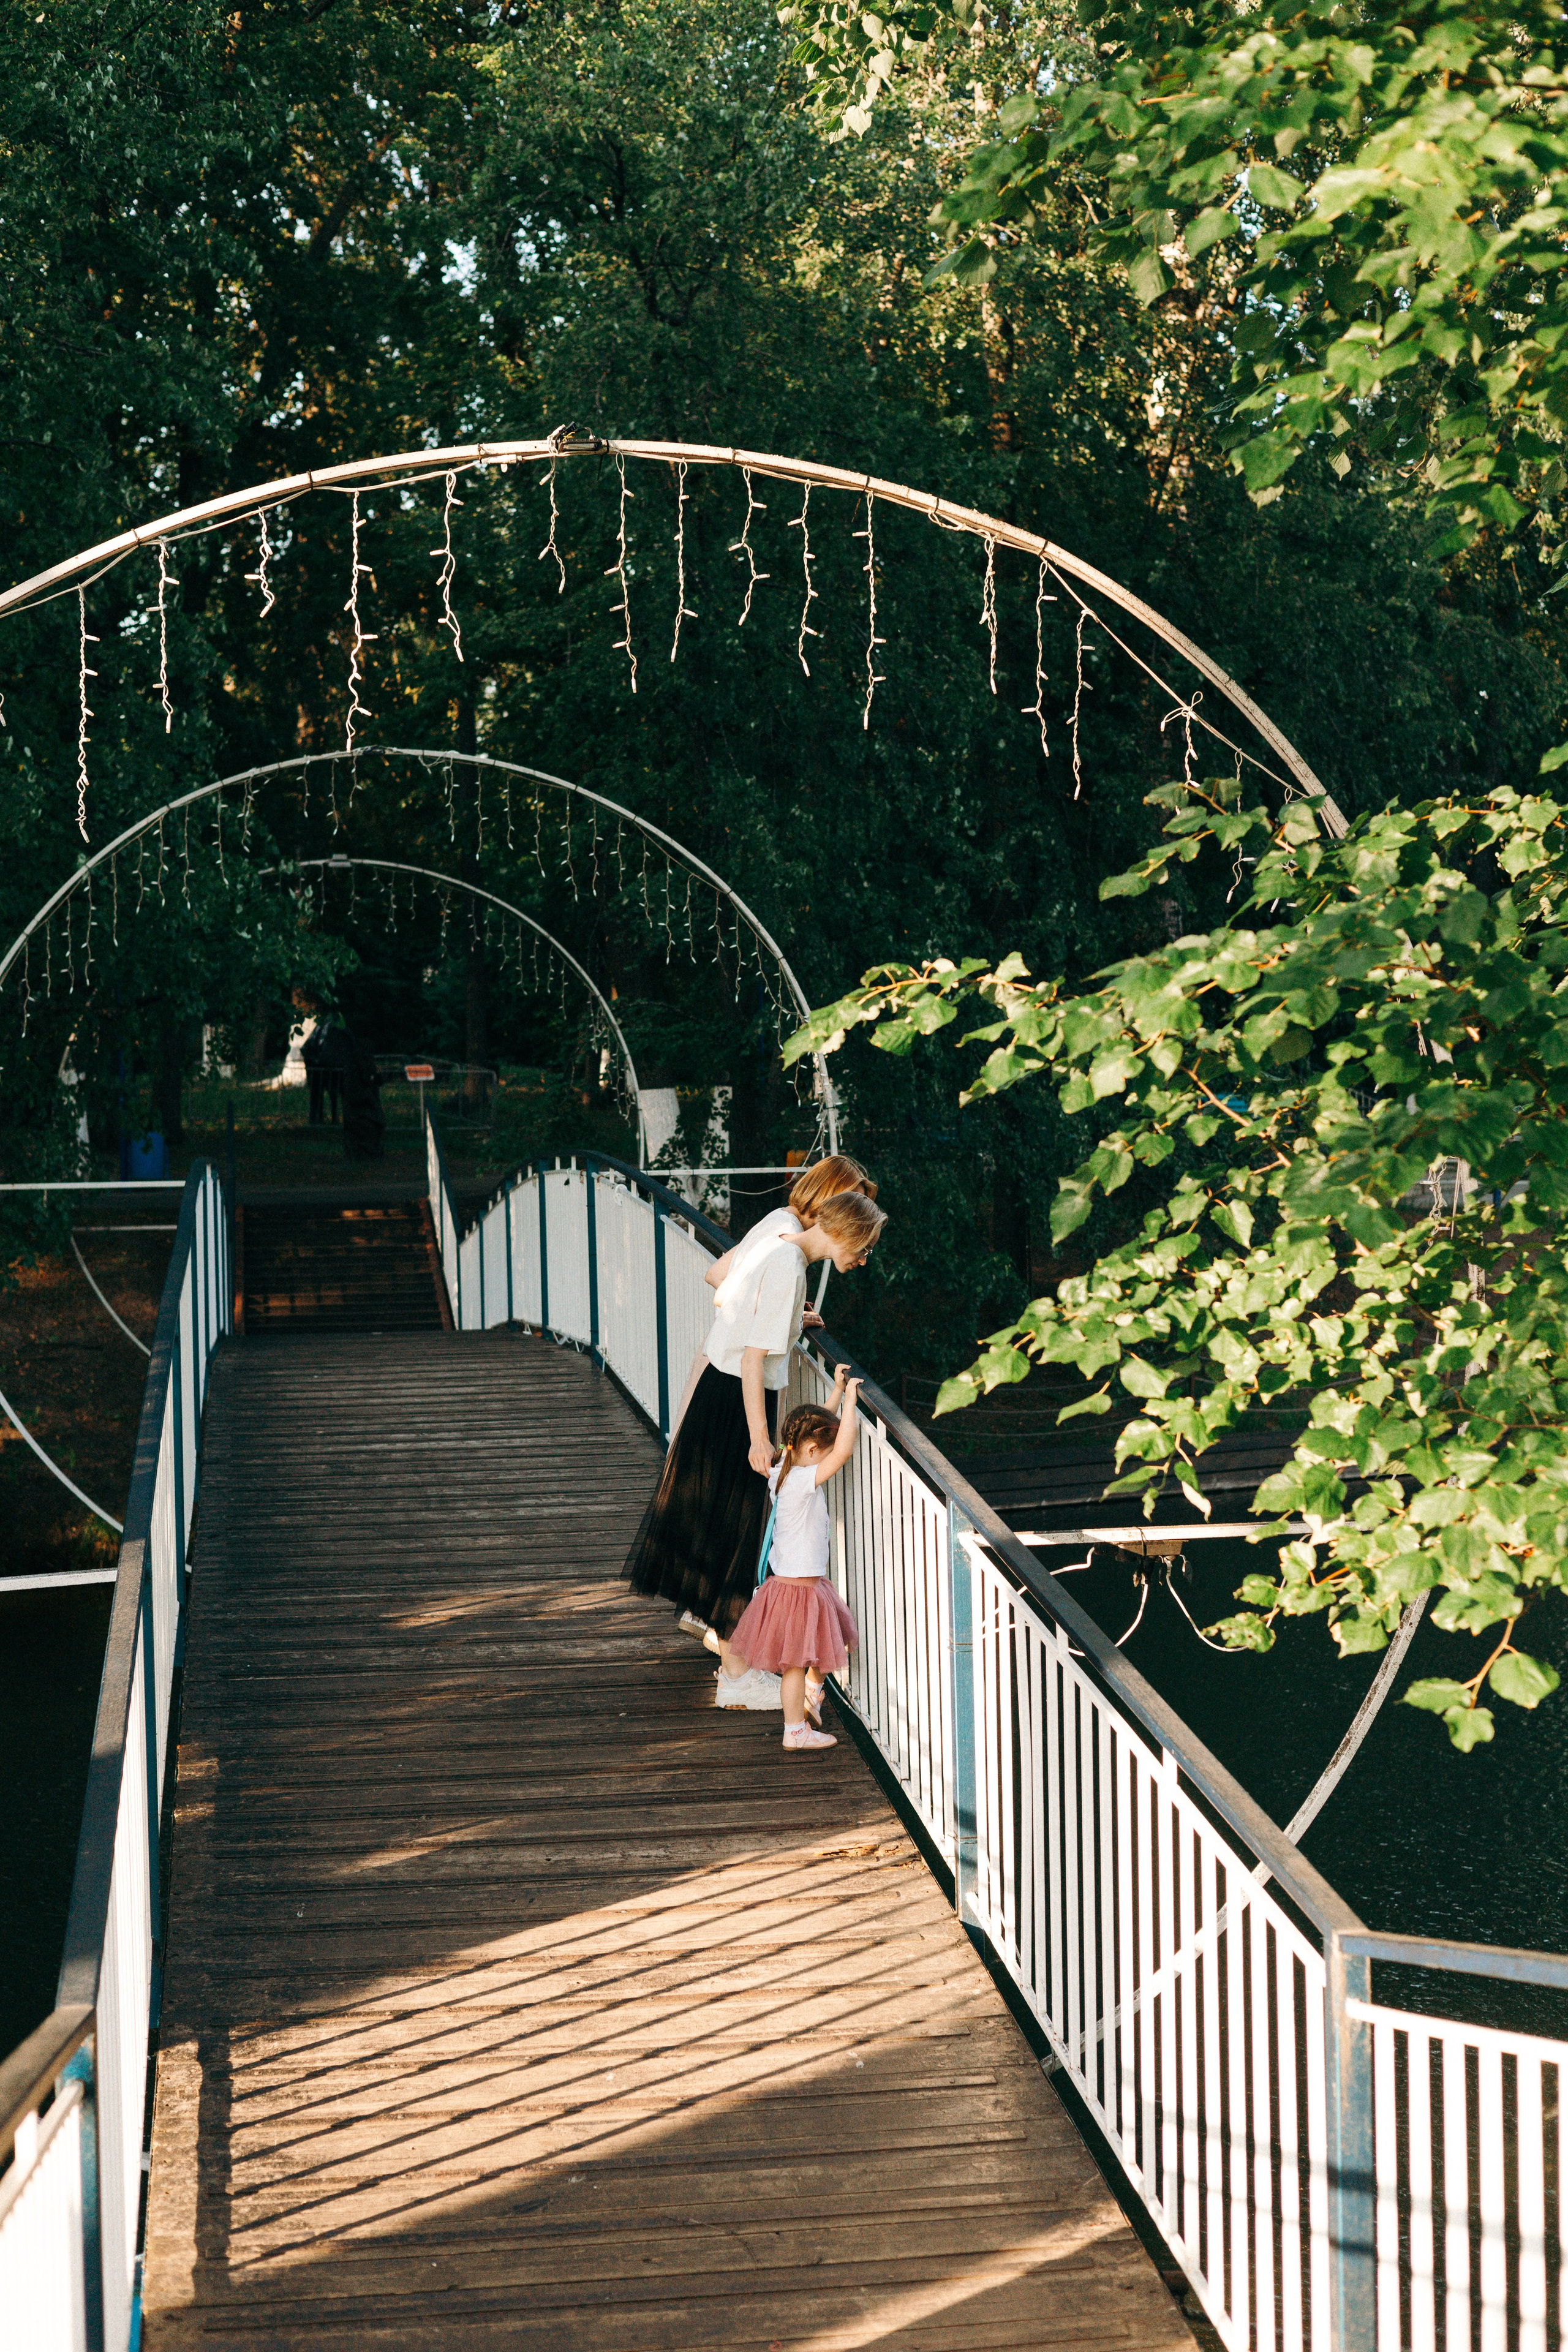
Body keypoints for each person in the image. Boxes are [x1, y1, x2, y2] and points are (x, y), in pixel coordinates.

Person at [624, 1189, 887, 1707]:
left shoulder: (782, 1249)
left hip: (723, 1397)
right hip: (736, 1404)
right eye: (866, 1248)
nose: (863, 1259)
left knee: (726, 1531)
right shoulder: (790, 1266)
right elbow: (751, 1359)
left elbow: (741, 1308)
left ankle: (736, 1669)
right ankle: (736, 1678)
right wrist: (760, 1436)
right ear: (847, 1233)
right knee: (736, 1534)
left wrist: (792, 1324)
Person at [726, 1378, 861, 1751]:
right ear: (813, 1450)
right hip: (799, 1591)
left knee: (824, 1642)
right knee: (795, 1666)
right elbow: (842, 1451)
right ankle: (795, 1730)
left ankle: (812, 1696)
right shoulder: (802, 1480)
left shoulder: (783, 1467)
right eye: (822, 1452)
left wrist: (836, 1393)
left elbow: (814, 1428)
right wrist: (851, 1401)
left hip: (801, 1586)